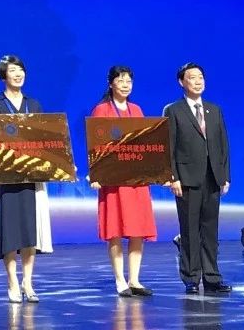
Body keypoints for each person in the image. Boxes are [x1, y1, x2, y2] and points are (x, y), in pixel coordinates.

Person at [0, 54, 52, 303]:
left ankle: (28, 282)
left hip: (31, 177)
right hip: (7, 178)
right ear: (3, 75)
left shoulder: (33, 105)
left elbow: (45, 141)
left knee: (29, 230)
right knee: (10, 232)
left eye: (20, 69)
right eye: (12, 70)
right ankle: (12, 281)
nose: (18, 74)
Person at [89, 65, 156, 296]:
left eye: (129, 81)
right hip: (113, 181)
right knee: (115, 229)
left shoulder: (137, 110)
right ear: (111, 84)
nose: (125, 85)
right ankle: (120, 280)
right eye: (121, 81)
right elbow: (96, 146)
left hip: (136, 180)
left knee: (138, 228)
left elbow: (145, 144)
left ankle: (134, 279)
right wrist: (97, 173)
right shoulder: (102, 110)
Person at [165, 63, 231, 293]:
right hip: (186, 178)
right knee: (190, 230)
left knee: (210, 230)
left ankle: (212, 277)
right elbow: (169, 147)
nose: (198, 81)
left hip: (212, 177)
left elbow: (223, 146)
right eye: (192, 77)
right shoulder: (173, 110)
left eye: (201, 77)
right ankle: (191, 278)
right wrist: (173, 177)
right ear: (181, 82)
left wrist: (225, 176)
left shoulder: (214, 110)